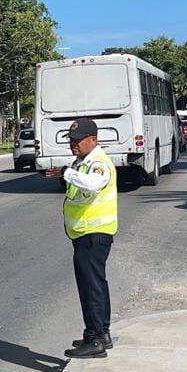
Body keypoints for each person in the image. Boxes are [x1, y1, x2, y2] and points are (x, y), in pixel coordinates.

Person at [43, 117, 118, 358]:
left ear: (93, 140)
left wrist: (67, 173)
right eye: (71, 140)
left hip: (94, 234)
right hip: (85, 234)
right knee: (96, 285)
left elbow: (93, 185)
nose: (73, 145)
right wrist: (66, 172)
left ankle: (95, 339)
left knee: (90, 287)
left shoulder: (99, 163)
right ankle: (100, 333)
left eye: (77, 141)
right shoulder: (82, 162)